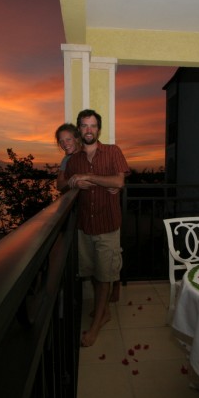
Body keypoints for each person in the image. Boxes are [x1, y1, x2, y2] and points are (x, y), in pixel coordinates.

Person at [64, 109, 129, 347]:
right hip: (84, 226)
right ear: (80, 129)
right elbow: (62, 182)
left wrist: (88, 177)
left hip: (108, 225)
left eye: (92, 126)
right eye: (84, 126)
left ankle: (96, 324)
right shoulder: (74, 160)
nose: (88, 130)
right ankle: (104, 312)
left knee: (104, 275)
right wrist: (72, 181)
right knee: (92, 271)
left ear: (98, 129)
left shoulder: (113, 151)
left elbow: (119, 181)